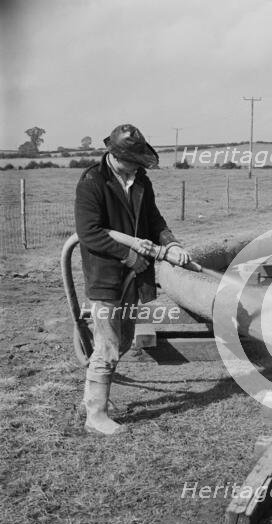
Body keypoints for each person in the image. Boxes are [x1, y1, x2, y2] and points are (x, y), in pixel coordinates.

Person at [74, 123, 190, 435]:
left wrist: (172, 243)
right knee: (109, 345)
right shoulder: (92, 181)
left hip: (135, 277)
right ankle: (95, 416)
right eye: (133, 160)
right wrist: (129, 255)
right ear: (114, 154)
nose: (138, 166)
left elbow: (154, 220)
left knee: (123, 340)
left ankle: (91, 400)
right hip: (106, 276)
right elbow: (89, 233)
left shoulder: (141, 181)